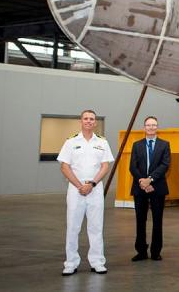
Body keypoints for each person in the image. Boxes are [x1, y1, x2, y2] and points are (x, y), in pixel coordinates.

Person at [58, 109, 114, 276]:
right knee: (73, 227)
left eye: (92, 119)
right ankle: (70, 263)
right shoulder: (71, 142)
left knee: (96, 227)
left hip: (95, 190)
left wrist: (92, 184)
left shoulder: (102, 142)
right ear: (80, 121)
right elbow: (64, 166)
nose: (89, 121)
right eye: (86, 118)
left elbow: (105, 166)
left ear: (95, 122)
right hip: (75, 190)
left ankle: (97, 262)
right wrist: (79, 185)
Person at [129, 116, 171, 261]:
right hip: (139, 187)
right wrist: (142, 181)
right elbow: (132, 166)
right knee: (140, 221)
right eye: (148, 125)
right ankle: (141, 251)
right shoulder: (136, 145)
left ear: (157, 127)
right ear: (144, 128)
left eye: (154, 125)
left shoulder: (164, 145)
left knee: (157, 221)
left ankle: (155, 251)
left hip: (157, 188)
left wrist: (150, 180)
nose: (151, 127)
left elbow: (165, 165)